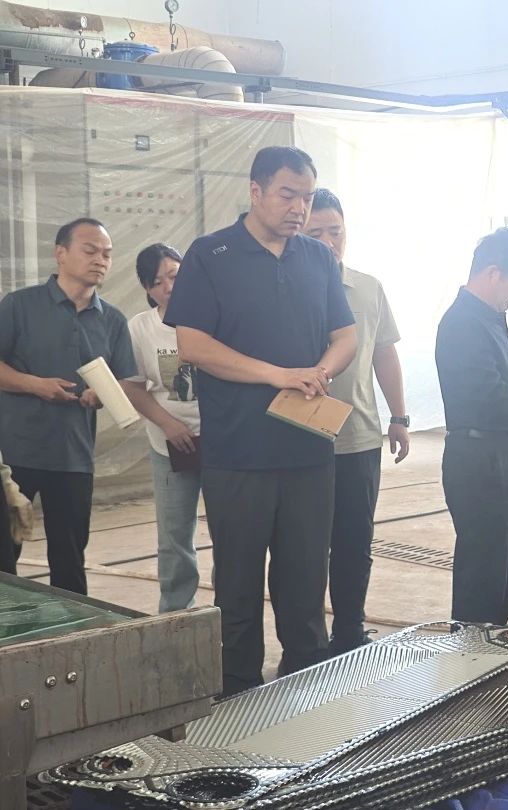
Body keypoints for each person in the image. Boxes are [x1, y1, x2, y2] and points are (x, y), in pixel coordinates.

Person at [165, 146, 357, 697]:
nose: (299, 208)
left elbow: (345, 335)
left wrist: (320, 370)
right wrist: (276, 374)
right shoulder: (211, 254)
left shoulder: (318, 258)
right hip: (238, 453)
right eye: (287, 195)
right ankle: (238, 689)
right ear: (256, 191)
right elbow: (193, 344)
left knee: (305, 580)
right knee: (238, 583)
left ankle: (305, 686)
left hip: (308, 450)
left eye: (307, 197)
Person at [0, 218, 136, 594]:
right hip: (15, 455)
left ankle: (74, 625)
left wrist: (101, 393)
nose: (100, 260)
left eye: (107, 254)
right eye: (90, 250)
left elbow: (126, 380)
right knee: (4, 554)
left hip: (74, 458)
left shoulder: (112, 320)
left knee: (70, 558)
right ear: (60, 253)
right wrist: (35, 385)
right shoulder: (20, 305)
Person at [304, 188, 410, 655]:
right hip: (301, 440)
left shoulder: (368, 289)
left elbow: (385, 354)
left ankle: (349, 631)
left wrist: (399, 416)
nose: (328, 242)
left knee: (354, 543)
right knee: (305, 547)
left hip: (358, 438)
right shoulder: (288, 289)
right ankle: (306, 642)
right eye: (316, 233)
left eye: (335, 231)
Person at [435, 227, 508, 625]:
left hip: (504, 457)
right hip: (479, 461)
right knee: (483, 577)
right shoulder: (462, 324)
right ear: (494, 273)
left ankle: (490, 648)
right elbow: (493, 398)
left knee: (505, 571)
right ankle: (471, 653)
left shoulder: (491, 319)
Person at [119, 243, 202, 613]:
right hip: (169, 446)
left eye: (174, 275)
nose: (169, 286)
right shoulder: (140, 328)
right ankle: (176, 614)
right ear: (147, 289)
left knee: (232, 532)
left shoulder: (213, 315)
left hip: (222, 444)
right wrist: (169, 424)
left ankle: (231, 613)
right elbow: (132, 386)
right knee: (174, 536)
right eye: (157, 282)